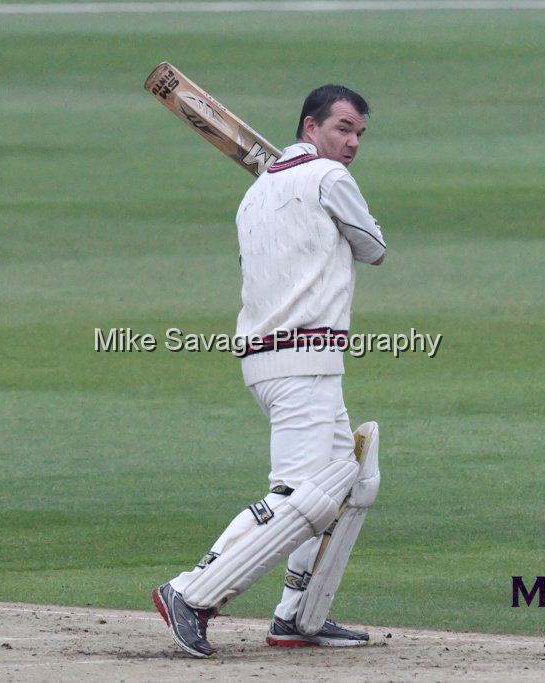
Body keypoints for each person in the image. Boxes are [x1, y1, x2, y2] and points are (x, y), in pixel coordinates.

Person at [153, 84, 386, 658]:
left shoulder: (257, 194)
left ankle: (299, 615)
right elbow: (374, 246)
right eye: (342, 129)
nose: (352, 142)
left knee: (353, 482)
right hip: (303, 357)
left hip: (274, 360)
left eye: (359, 133)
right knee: (301, 494)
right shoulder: (329, 180)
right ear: (310, 127)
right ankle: (191, 591)